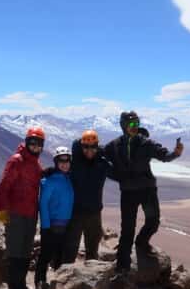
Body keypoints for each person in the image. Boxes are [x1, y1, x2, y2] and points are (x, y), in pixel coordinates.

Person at [103, 111, 183, 273]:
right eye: (132, 124)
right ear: (124, 125)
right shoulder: (114, 146)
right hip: (128, 192)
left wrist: (175, 153)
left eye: (137, 123)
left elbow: (163, 155)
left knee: (153, 222)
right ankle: (122, 266)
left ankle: (141, 243)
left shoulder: (146, 143)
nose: (135, 127)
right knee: (127, 229)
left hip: (147, 190)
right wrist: (114, 175)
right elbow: (99, 155)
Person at [0, 126, 45, 289]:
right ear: (27, 142)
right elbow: (4, 186)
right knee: (15, 251)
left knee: (25, 251)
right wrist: (2, 210)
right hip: (16, 213)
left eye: (39, 144)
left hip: (31, 214)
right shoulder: (17, 160)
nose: (35, 146)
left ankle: (21, 286)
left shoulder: (35, 163)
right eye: (32, 143)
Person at [65, 130, 113, 263]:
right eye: (86, 147)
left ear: (97, 146)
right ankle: (63, 280)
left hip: (94, 213)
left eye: (93, 147)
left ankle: (91, 279)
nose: (89, 150)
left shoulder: (102, 164)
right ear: (81, 147)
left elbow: (118, 174)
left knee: (92, 251)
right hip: (75, 213)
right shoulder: (73, 163)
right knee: (70, 250)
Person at [35, 146, 74, 289]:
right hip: (51, 226)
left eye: (67, 161)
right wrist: (45, 226)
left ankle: (57, 286)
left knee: (59, 255)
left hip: (65, 225)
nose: (64, 163)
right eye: (61, 161)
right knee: (45, 255)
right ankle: (40, 283)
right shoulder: (49, 181)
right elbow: (43, 203)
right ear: (56, 162)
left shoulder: (68, 178)